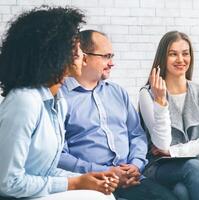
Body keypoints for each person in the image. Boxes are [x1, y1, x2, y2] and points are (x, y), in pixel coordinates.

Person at [0, 6, 119, 200]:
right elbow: (8, 183)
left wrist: (87, 179)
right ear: (53, 51)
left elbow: (45, 172)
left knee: (102, 194)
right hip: (16, 196)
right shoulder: (24, 102)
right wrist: (75, 183)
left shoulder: (58, 101)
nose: (81, 54)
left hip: (34, 193)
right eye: (75, 46)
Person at [58, 30, 177, 200]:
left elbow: (136, 134)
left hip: (131, 178)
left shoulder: (117, 92)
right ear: (84, 58)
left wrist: (135, 165)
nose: (112, 63)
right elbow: (59, 156)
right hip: (91, 183)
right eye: (106, 56)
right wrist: (104, 172)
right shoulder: (61, 98)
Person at [138, 30, 199, 200]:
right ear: (163, 57)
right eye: (173, 54)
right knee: (193, 167)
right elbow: (161, 143)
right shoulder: (147, 94)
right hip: (161, 167)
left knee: (182, 192)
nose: (181, 60)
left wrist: (175, 151)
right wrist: (160, 100)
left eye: (185, 53)